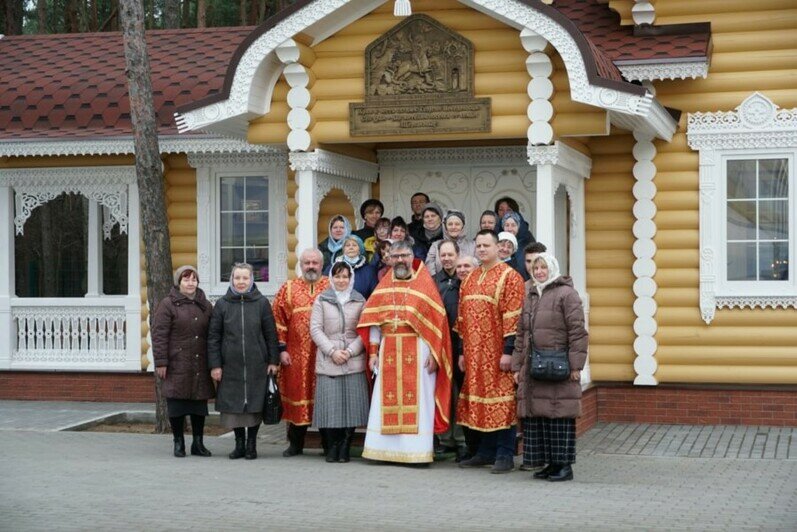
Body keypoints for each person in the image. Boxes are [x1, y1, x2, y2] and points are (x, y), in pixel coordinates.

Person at [358, 240, 453, 464]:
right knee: (385, 399)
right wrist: (372, 353)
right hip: (389, 348)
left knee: (420, 401)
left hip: (418, 350)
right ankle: (382, 450)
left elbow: (436, 325)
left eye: (404, 255)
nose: (400, 260)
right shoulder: (383, 286)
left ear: (412, 257)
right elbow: (374, 323)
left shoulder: (424, 285)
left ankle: (416, 452)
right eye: (396, 256)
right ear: (389, 259)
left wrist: (434, 354)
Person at [512, 253, 588, 482]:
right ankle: (548, 464)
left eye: (543, 268)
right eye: (536, 269)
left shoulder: (567, 294)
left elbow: (578, 332)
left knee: (559, 417)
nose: (539, 272)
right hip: (535, 368)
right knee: (541, 417)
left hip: (559, 367)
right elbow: (521, 333)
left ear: (552, 268)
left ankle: (563, 466)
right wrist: (518, 365)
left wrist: (576, 365)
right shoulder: (532, 295)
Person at [457, 230, 525, 473]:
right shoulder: (470, 278)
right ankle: (484, 451)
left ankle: (505, 454)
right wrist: (462, 352)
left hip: (498, 354)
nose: (482, 249)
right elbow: (462, 318)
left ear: (498, 247)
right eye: (479, 245)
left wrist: (508, 351)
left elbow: (513, 317)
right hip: (474, 355)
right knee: (480, 402)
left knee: (502, 402)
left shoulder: (510, 277)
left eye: (487, 245)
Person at [208, 263, 280, 460]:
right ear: (231, 280)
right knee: (234, 407)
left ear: (251, 280)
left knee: (255, 405)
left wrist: (273, 361)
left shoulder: (261, 303)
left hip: (258, 364)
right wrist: (215, 365)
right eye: (237, 278)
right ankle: (239, 444)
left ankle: (251, 444)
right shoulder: (222, 304)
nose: (241, 282)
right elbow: (214, 337)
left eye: (245, 278)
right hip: (230, 366)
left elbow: (270, 334)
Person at [151, 265, 215, 458]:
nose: (190, 283)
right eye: (186, 279)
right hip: (176, 362)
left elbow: (212, 334)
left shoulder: (205, 304)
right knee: (177, 406)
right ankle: (178, 442)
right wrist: (161, 362)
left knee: (198, 407)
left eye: (194, 279)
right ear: (179, 283)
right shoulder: (167, 304)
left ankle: (198, 443)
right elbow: (159, 334)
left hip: (199, 363)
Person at [273, 249, 331, 457]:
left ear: (321, 264)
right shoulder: (288, 288)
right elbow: (278, 321)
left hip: (325, 355)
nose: (311, 266)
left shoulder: (331, 286)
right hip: (296, 356)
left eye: (314, 262)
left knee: (324, 398)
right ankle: (295, 444)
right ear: (300, 264)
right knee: (298, 396)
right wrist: (281, 349)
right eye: (306, 263)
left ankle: (328, 444)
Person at [310, 261, 369, 463]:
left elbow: (365, 330)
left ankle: (345, 446)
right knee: (330, 407)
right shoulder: (322, 300)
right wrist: (333, 351)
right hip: (329, 359)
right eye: (337, 276)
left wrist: (351, 351)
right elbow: (316, 329)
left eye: (345, 276)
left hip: (353, 359)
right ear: (331, 278)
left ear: (350, 278)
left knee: (351, 407)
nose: (341, 280)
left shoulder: (360, 300)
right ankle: (332, 446)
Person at [432, 240, 468, 460]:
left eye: (450, 254)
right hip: (440, 345)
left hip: (461, 345)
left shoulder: (465, 279)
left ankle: (462, 440)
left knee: (460, 393)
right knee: (444, 392)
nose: (446, 258)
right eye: (442, 255)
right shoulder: (433, 281)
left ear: (457, 254)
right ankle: (445, 439)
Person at [425, 210, 475, 276]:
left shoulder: (473, 246)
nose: (453, 227)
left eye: (457, 224)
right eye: (450, 224)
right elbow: (429, 268)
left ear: (463, 226)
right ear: (445, 227)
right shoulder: (435, 246)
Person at [334, 234, 378, 300]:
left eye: (354, 245)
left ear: (360, 250)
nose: (351, 248)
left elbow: (374, 296)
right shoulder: (332, 269)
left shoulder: (369, 271)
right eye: (347, 245)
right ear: (343, 250)